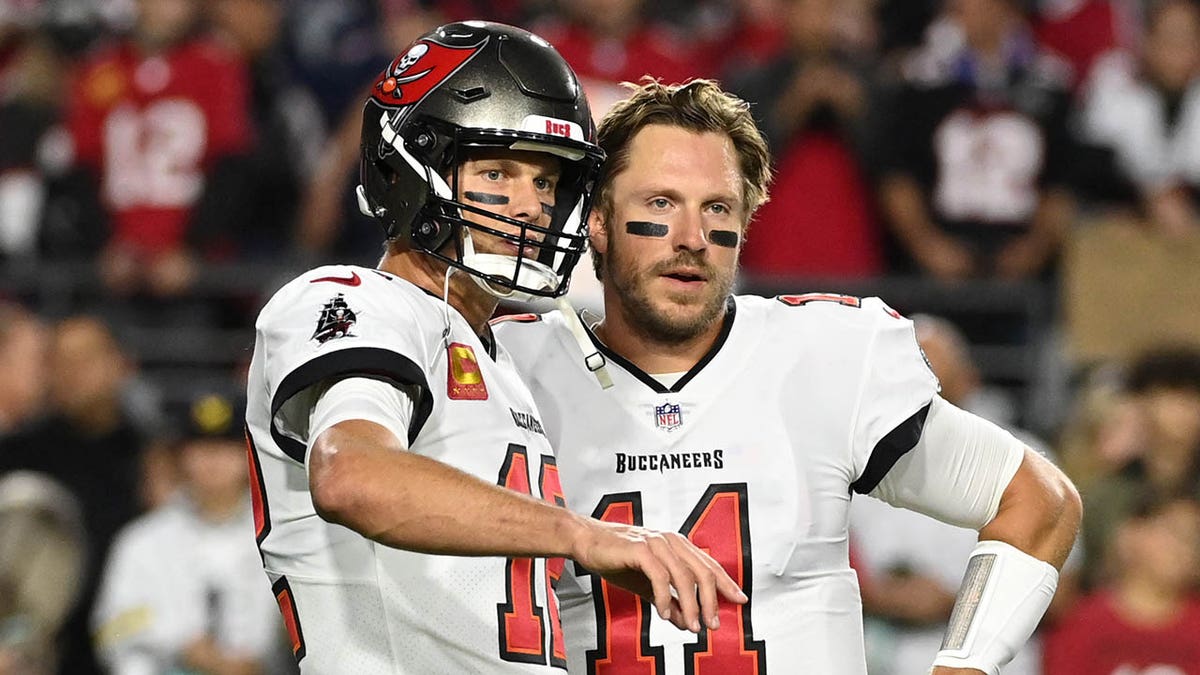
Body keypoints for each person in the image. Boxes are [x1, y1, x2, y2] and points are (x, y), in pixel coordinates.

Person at [493, 78, 1081, 674]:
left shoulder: (820, 356)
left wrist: (963, 666)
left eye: (717, 208)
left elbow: (1040, 500)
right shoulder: (513, 366)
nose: (693, 239)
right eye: (660, 204)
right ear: (596, 220)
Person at [244, 22, 745, 674]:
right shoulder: (355, 299)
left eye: (547, 181)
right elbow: (351, 473)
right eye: (498, 170)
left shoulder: (496, 357)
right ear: (410, 170)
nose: (532, 204)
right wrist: (580, 533)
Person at [92, 392, 294, 675]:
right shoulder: (141, 541)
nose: (213, 462)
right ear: (181, 457)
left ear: (247, 455)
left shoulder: (282, 538)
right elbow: (110, 629)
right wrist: (180, 644)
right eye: (200, 448)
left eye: (224, 448)